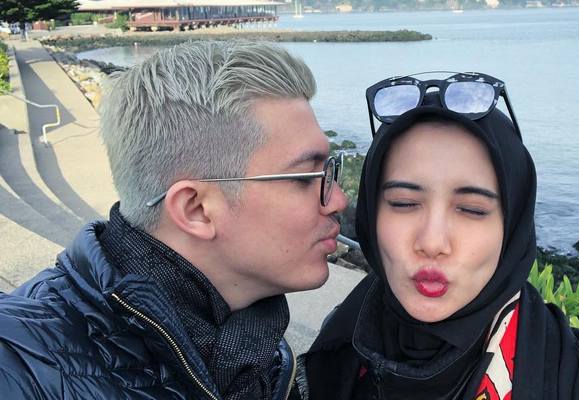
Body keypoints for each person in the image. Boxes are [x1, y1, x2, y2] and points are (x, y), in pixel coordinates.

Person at [0, 41, 347, 399]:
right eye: (305, 177)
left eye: (330, 170)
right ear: (196, 210)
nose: (339, 199)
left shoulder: (255, 349)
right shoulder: (17, 367)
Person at [301, 72, 579, 399]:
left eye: (472, 210)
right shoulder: (340, 342)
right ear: (372, 213)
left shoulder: (575, 381)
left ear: (512, 227)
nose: (432, 243)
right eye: (404, 203)